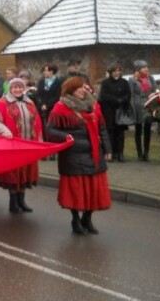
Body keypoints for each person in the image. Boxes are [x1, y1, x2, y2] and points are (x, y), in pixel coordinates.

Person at [46, 77, 112, 235]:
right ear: (70, 91)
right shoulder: (60, 108)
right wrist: (68, 138)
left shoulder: (94, 106)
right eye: (79, 88)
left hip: (94, 154)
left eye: (84, 87)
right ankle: (75, 219)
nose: (83, 90)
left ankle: (87, 219)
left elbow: (102, 128)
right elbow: (50, 130)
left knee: (93, 190)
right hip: (73, 156)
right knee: (77, 191)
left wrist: (108, 148)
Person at [0, 78, 42, 213]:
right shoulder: (2, 102)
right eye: (15, 87)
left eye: (20, 87)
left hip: (27, 145)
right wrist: (6, 132)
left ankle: (22, 201)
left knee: (24, 173)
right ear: (10, 88)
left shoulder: (29, 102)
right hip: (12, 144)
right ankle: (13, 202)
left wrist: (39, 141)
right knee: (14, 174)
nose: (18, 90)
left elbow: (37, 121)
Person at [99, 64, 131, 162]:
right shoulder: (105, 83)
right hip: (109, 110)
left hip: (120, 111)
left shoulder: (124, 82)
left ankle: (120, 153)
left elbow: (128, 93)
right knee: (110, 132)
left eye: (119, 71)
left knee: (120, 133)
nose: (117, 73)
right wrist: (115, 100)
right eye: (115, 71)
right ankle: (110, 153)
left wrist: (123, 100)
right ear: (110, 72)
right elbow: (103, 96)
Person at [128, 60, 157, 161]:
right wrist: (132, 108)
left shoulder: (150, 77)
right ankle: (139, 153)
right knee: (138, 129)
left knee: (148, 129)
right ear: (138, 70)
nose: (146, 69)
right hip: (138, 106)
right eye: (144, 67)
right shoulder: (132, 79)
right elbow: (130, 95)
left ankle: (146, 153)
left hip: (148, 105)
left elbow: (155, 90)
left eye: (146, 67)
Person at [36, 63, 62, 161]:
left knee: (52, 129)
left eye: (46, 70)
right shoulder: (41, 81)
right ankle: (44, 151)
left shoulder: (57, 82)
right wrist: (41, 104)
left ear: (51, 71)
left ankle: (53, 151)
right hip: (42, 109)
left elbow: (57, 96)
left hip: (52, 108)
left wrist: (48, 105)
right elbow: (38, 94)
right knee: (43, 129)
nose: (44, 72)